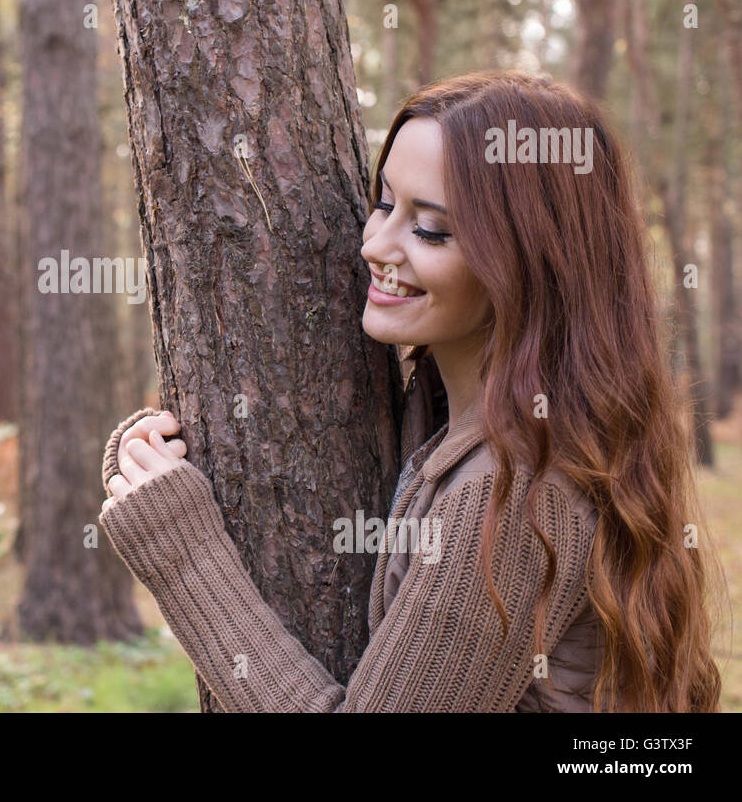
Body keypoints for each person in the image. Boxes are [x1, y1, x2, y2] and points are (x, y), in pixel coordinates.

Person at [98, 70, 723, 712]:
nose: (375, 245)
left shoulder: (511, 494)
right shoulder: (480, 423)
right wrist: (158, 461)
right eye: (384, 202)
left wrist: (184, 555)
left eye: (430, 231)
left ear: (533, 263)